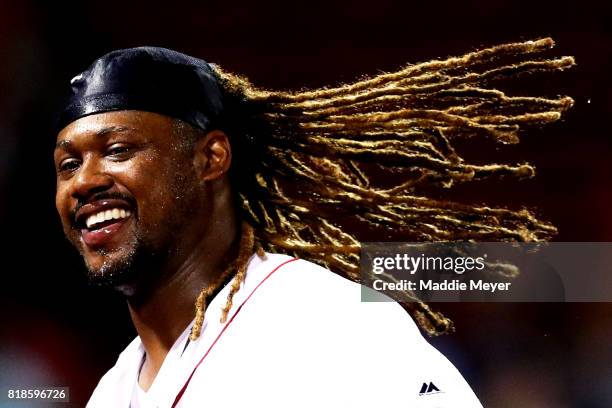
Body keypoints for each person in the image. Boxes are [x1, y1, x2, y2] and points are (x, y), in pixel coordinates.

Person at [53, 40, 572, 407]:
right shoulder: (115, 390)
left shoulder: (323, 323)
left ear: (210, 158)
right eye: (67, 165)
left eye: (117, 150)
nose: (83, 182)